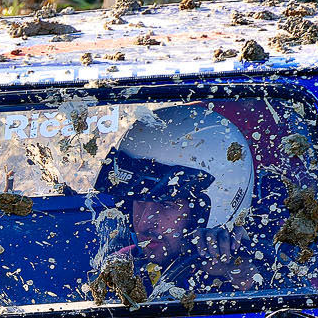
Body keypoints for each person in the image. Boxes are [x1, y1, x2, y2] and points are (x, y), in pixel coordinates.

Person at [91, 105, 254, 298]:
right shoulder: (120, 267)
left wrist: (242, 280)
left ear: (214, 206)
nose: (143, 224)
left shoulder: (268, 267)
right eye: (137, 201)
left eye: (166, 204)